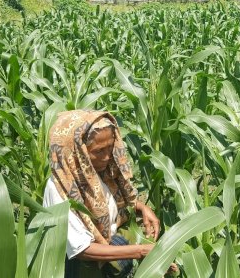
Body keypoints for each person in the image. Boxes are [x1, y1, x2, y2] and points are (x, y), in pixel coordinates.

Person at [43, 110, 167, 278]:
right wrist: (141, 251)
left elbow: (112, 201)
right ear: (77, 152)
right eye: (99, 150)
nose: (108, 156)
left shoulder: (101, 172)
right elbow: (81, 249)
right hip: (82, 269)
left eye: (110, 147)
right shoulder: (59, 189)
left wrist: (141, 207)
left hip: (111, 257)